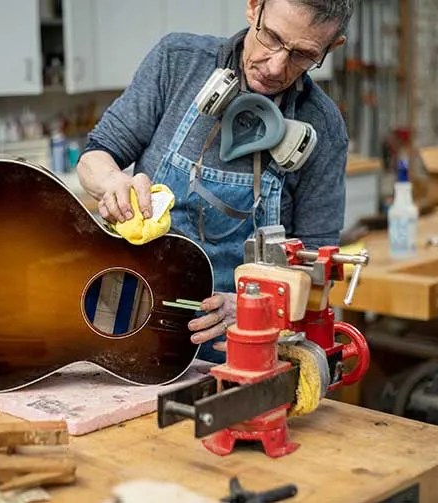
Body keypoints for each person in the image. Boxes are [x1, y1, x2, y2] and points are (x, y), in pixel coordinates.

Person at [76, 0, 353, 363]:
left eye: (302, 55)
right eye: (271, 37)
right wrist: (112, 181)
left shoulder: (324, 128)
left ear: (331, 48)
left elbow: (316, 271)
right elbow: (94, 157)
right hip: (132, 329)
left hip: (241, 352)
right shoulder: (177, 62)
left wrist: (258, 307)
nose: (276, 66)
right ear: (254, 7)